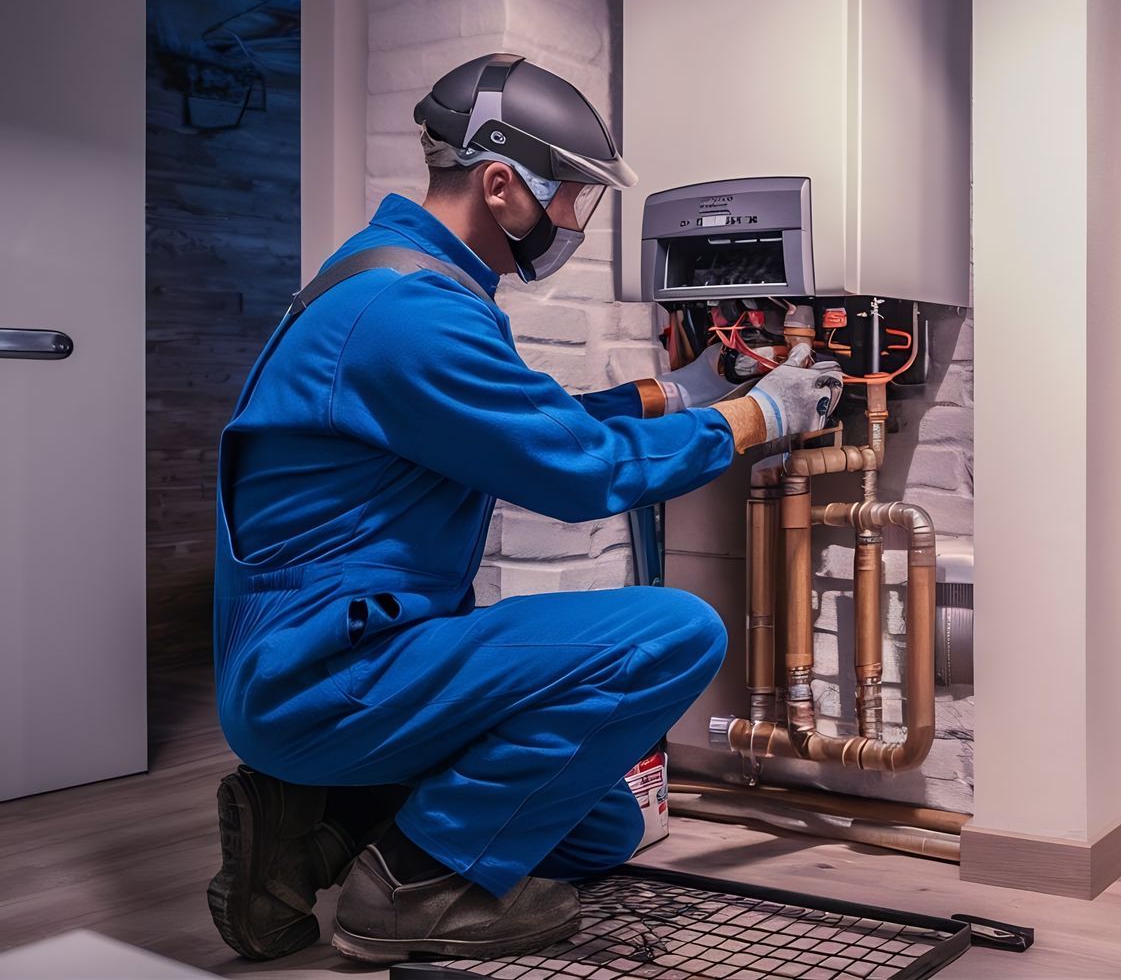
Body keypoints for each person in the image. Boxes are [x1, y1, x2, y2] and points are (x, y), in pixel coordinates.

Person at [204, 54, 843, 964]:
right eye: (574, 198)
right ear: (501, 183)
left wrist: (681, 392)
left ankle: (323, 829)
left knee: (601, 831)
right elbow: (571, 470)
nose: (576, 223)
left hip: (358, 658)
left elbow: (519, 426)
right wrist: (755, 418)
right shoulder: (405, 313)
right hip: (323, 677)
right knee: (675, 633)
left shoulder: (408, 281)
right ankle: (406, 891)